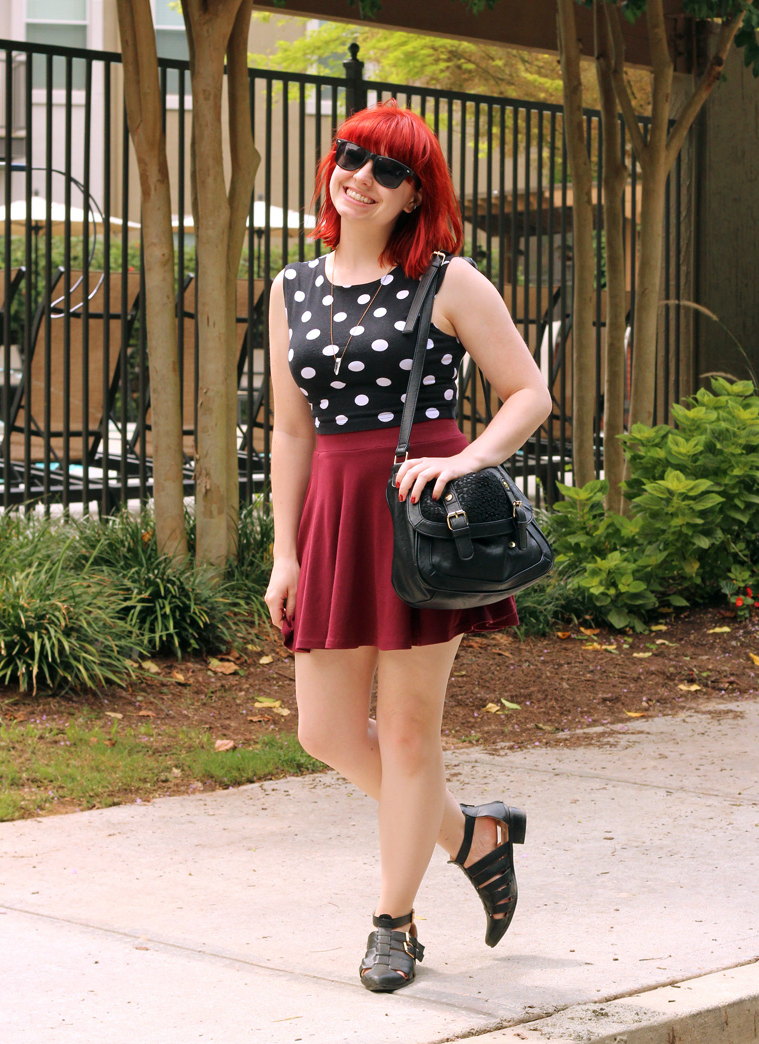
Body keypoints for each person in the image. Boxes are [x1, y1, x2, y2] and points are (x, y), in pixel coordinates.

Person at [264, 100, 552, 993]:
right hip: (333, 520)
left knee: (412, 738)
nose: (360, 176)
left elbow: (527, 393)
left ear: (413, 194)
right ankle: (473, 835)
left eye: (387, 170)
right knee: (325, 732)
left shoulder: (448, 280)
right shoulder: (290, 288)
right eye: (351, 156)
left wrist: (466, 456)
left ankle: (394, 923)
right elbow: (291, 432)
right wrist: (285, 552)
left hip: (424, 521)